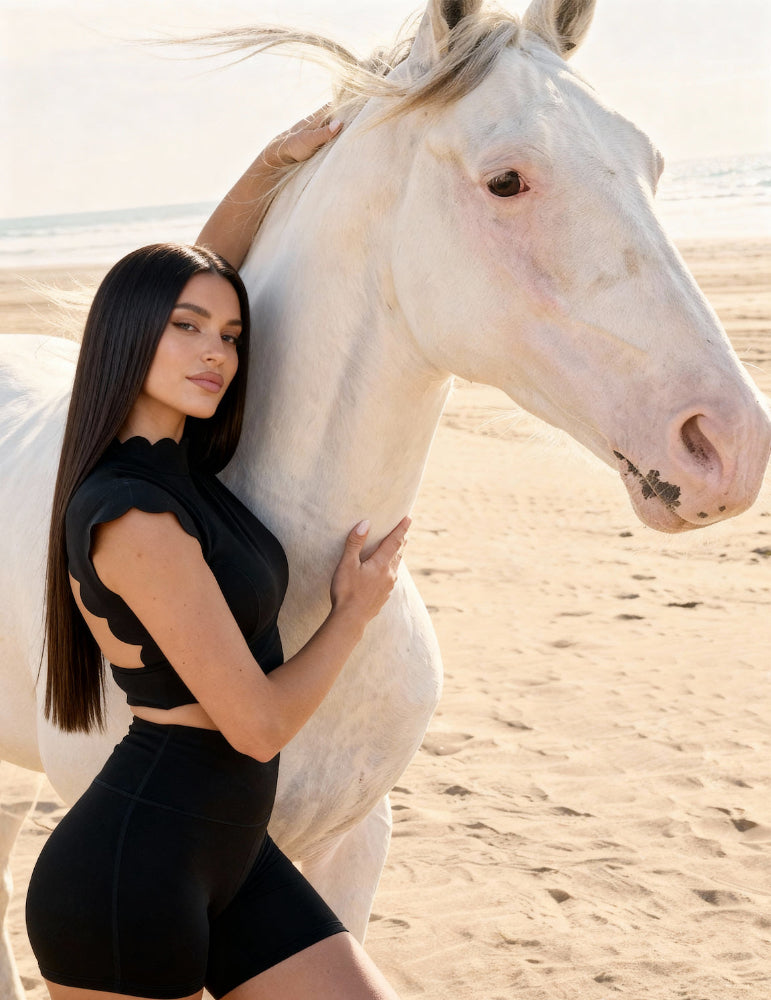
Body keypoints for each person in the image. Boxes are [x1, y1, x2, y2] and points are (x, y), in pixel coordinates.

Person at [26, 113, 408, 1000]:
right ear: (129, 334)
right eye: (187, 331)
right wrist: (353, 614)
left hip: (234, 861)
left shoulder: (184, 468)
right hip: (129, 884)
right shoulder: (131, 515)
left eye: (230, 337)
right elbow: (259, 725)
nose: (215, 353)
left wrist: (274, 163)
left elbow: (194, 270)